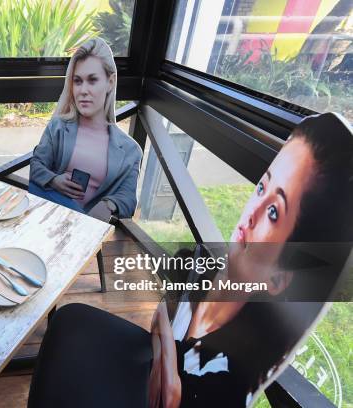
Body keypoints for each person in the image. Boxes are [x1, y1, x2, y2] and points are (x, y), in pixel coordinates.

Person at [28, 112, 353, 408]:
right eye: (262, 187)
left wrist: (168, 364)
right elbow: (160, 324)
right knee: (69, 320)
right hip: (147, 361)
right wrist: (165, 348)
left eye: (273, 212)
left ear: (282, 277)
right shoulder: (198, 270)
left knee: (69, 328)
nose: (250, 213)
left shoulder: (226, 379)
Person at [29, 38, 142, 220]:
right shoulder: (57, 127)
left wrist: (109, 204)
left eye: (92, 80)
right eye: (78, 81)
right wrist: (54, 180)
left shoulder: (130, 150)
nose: (83, 90)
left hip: (88, 231)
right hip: (46, 220)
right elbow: (36, 165)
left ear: (110, 82)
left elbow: (128, 199)